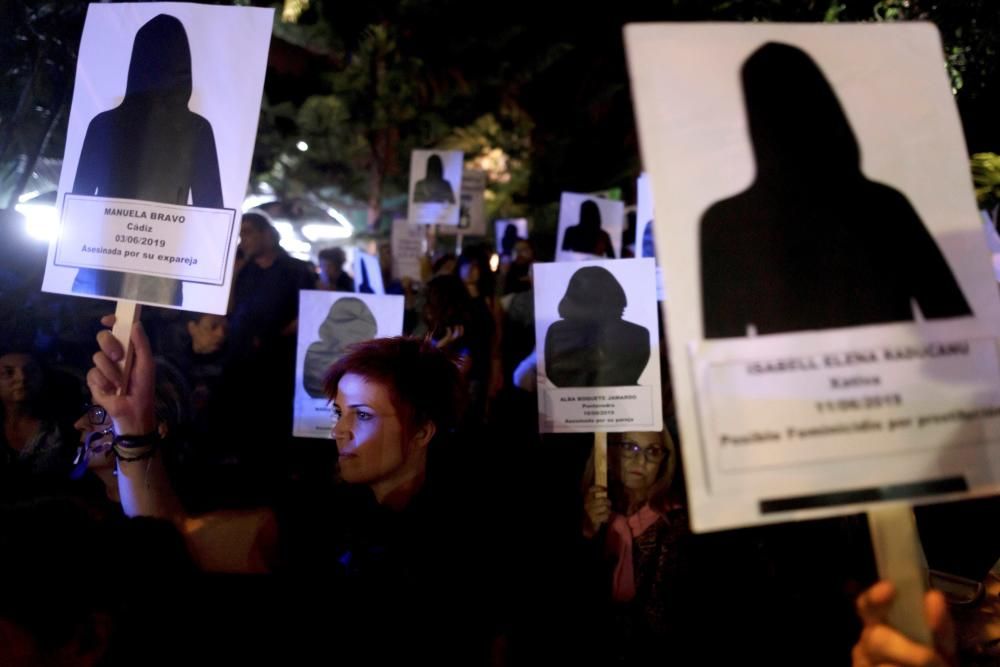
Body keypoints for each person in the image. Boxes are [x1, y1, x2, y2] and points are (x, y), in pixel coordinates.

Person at [700, 42, 972, 339]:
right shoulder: (885, 206)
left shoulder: (726, 222)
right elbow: (958, 325)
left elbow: (721, 356)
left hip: (794, 384)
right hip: (898, 382)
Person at [71, 14, 223, 306]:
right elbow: (210, 211)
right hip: (160, 270)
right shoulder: (197, 129)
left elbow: (79, 201)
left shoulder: (103, 124)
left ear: (136, 63)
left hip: (99, 262)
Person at [581, 430, 688, 664]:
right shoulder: (580, 512)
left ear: (664, 461)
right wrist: (587, 534)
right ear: (607, 451)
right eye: (629, 447)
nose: (641, 460)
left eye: (653, 451)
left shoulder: (679, 521)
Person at [544, 265, 650, 387]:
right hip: (624, 401)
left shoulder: (557, 331)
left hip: (569, 401)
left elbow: (554, 374)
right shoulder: (639, 333)